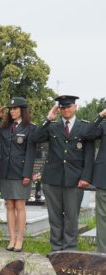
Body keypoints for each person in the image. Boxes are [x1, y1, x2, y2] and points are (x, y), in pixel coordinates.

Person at [32, 95, 96, 251]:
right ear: (59, 109)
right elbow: (36, 137)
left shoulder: (85, 127)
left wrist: (86, 177)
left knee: (71, 217)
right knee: (54, 217)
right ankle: (56, 249)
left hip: (75, 181)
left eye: (69, 107)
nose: (66, 110)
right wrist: (48, 118)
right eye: (62, 107)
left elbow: (89, 155)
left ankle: (70, 249)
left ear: (75, 107)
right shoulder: (52, 126)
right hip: (52, 179)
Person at [0, 97, 36, 252]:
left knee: (19, 205)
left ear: (22, 110)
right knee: (9, 205)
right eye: (11, 109)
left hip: (21, 172)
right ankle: (11, 239)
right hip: (6, 171)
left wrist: (27, 174)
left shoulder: (30, 128)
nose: (12, 111)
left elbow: (31, 153)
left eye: (16, 108)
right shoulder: (4, 128)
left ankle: (20, 239)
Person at [91, 108, 106, 253]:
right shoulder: (103, 124)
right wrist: (101, 115)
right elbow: (88, 134)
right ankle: (103, 255)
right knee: (102, 218)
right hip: (104, 179)